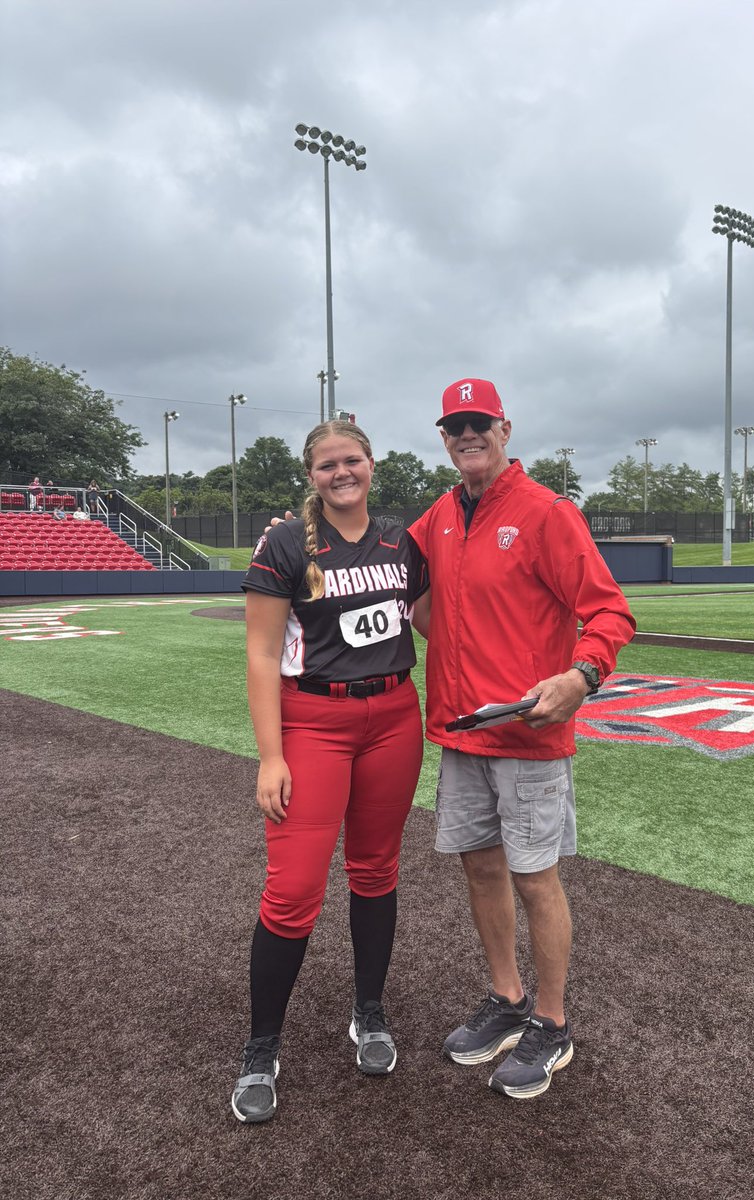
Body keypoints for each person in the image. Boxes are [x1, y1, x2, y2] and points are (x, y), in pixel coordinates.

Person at [407, 378, 636, 1100]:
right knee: (479, 869)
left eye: (479, 423)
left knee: (536, 877)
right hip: (461, 731)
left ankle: (551, 1020)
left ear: (505, 428)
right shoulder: (439, 514)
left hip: (529, 734)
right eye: (455, 426)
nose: (467, 434)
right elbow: (384, 572)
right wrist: (302, 540)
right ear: (444, 437)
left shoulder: (545, 512)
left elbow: (610, 613)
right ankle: (506, 999)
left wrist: (581, 676)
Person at [231, 418, 428, 1124]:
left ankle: (368, 1012)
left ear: (372, 465)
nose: (342, 472)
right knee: (293, 889)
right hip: (314, 722)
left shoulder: (402, 541)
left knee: (377, 870)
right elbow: (259, 654)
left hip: (396, 718)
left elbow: (433, 619)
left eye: (353, 460)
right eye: (327, 465)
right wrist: (271, 754)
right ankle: (262, 1047)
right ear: (311, 475)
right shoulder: (286, 542)